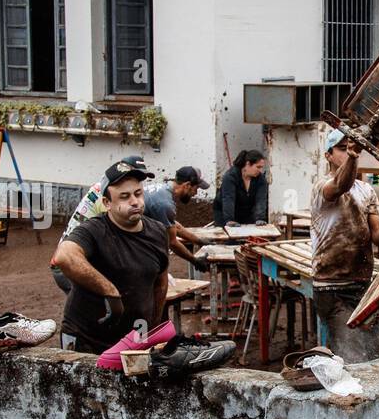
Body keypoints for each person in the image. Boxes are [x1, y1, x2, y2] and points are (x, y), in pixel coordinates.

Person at [53, 159, 169, 354]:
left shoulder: (157, 232)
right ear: (107, 203)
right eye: (124, 197)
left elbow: (160, 285)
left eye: (138, 194)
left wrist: (150, 331)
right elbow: (64, 256)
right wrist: (109, 291)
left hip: (132, 341)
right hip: (87, 340)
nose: (134, 201)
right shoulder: (95, 230)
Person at [310, 129, 379, 363]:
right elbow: (341, 185)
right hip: (331, 287)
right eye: (341, 149)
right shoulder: (322, 187)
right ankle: (346, 395)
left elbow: (377, 237)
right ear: (328, 155)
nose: (347, 153)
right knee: (353, 356)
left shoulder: (366, 191)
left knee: (373, 353)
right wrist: (353, 157)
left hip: (361, 284)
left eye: (349, 149)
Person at [51, 157, 205, 291]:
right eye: (134, 179)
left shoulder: (115, 194)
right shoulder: (108, 199)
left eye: (139, 187)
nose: (136, 196)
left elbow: (171, 225)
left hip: (81, 260)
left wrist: (198, 240)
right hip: (71, 265)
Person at [213, 149, 269, 227]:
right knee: (228, 235)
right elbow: (228, 198)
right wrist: (229, 220)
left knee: (248, 235)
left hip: (245, 210)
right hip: (223, 211)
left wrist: (260, 218)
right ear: (248, 164)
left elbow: (261, 199)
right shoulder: (230, 177)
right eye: (258, 167)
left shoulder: (261, 179)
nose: (260, 170)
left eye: (261, 168)